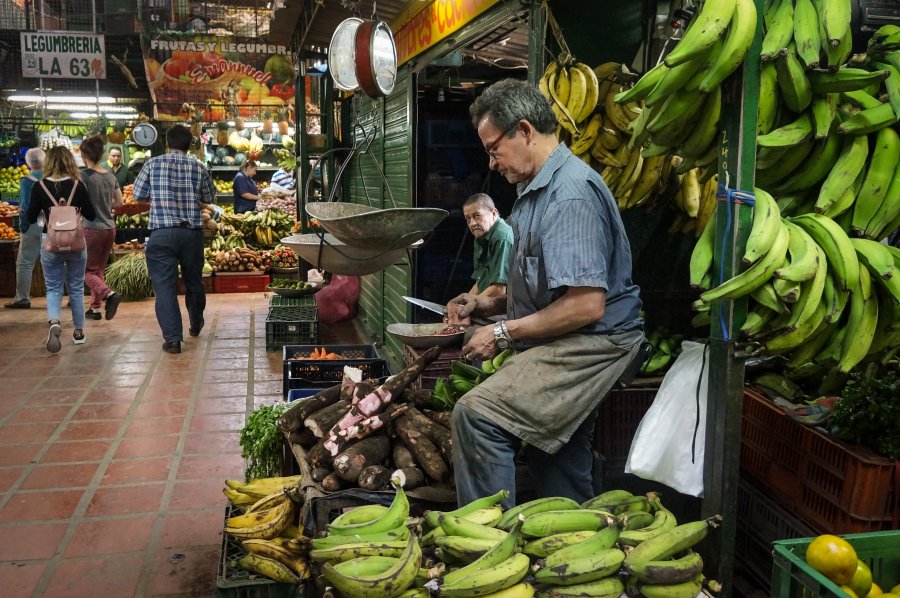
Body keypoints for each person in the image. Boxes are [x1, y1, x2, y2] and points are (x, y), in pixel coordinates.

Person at [447, 79, 644, 507]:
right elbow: (545, 287)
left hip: (594, 342)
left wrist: (501, 333)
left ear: (524, 131)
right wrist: (485, 302)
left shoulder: (569, 195)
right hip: (565, 337)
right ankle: (570, 549)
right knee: (555, 450)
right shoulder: (532, 195)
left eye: (493, 149)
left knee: (478, 416)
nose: (492, 164)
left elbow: (586, 304)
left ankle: (487, 547)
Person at [132, 124, 216, 354]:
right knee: (194, 281)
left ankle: (172, 339)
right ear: (190, 145)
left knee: (164, 287)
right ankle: (196, 323)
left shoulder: (152, 164)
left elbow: (138, 195)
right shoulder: (199, 166)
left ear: (167, 143)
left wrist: (159, 196)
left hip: (161, 234)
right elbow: (209, 197)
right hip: (191, 234)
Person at [26, 146, 97, 352]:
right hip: (75, 242)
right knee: (75, 287)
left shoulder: (39, 186)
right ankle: (78, 332)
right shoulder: (78, 185)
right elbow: (92, 215)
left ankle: (55, 321)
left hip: (50, 242)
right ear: (69, 162)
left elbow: (30, 217)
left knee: (53, 287)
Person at [80, 135, 124, 321]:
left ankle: (109, 294)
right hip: (109, 228)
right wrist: (105, 207)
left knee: (85, 272)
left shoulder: (83, 176)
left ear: (84, 155)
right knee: (98, 270)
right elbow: (119, 203)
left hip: (91, 228)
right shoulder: (110, 176)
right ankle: (95, 309)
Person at [4, 148, 45, 309]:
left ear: (28, 163)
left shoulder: (27, 180)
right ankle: (70, 295)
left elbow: (25, 207)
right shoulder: (52, 178)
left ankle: (22, 298)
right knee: (59, 261)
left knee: (25, 262)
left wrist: (24, 225)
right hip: (52, 225)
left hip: (34, 224)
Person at [463, 192, 513, 297]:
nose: (472, 223)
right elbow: (480, 283)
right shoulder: (481, 236)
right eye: (468, 219)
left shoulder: (501, 237)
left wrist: (469, 309)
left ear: (494, 213)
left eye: (477, 216)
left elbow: (499, 289)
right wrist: (462, 306)